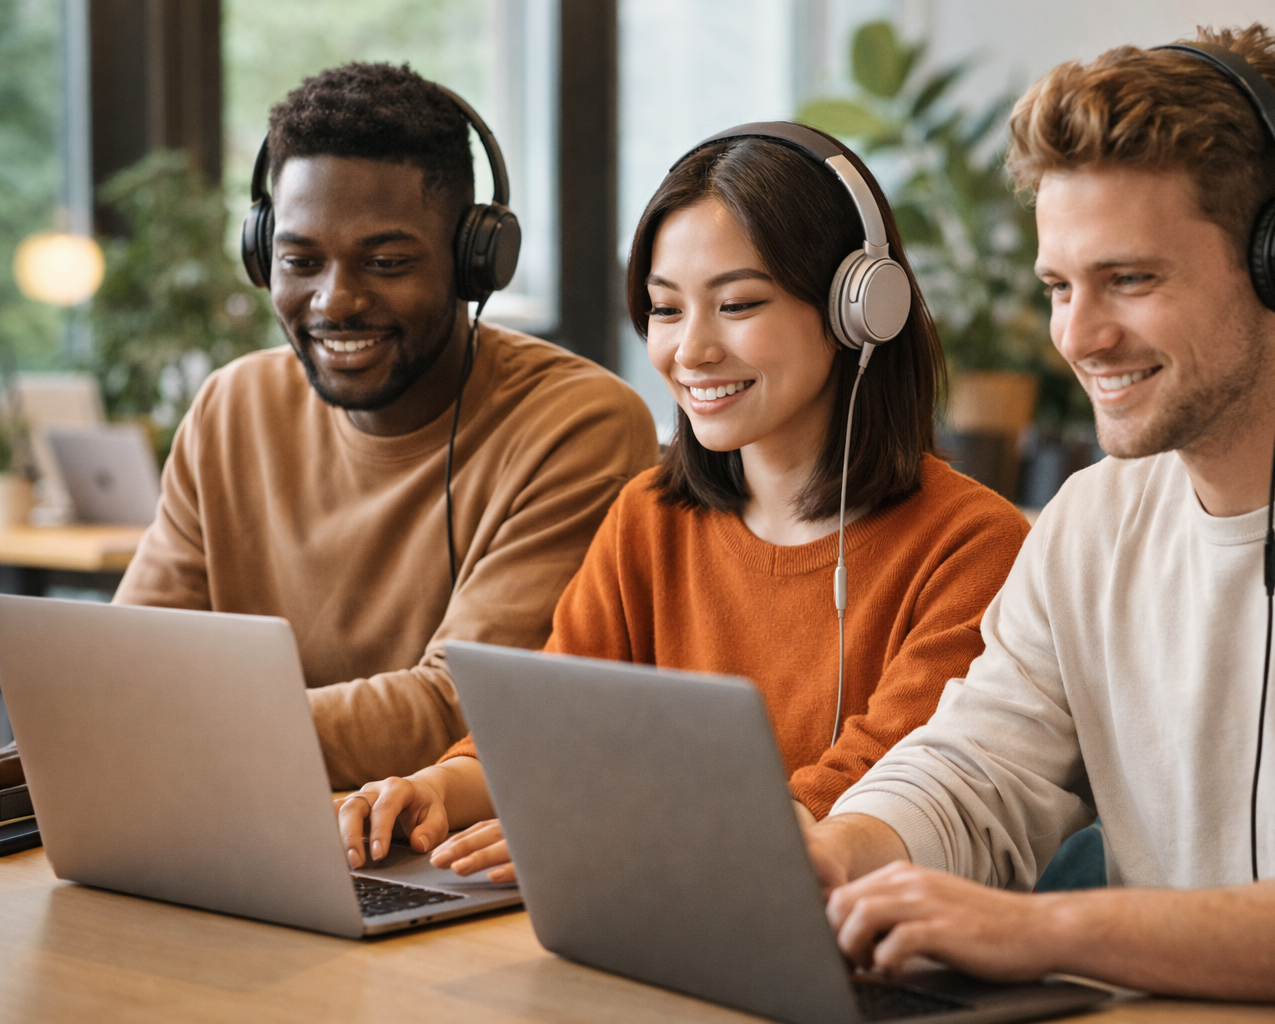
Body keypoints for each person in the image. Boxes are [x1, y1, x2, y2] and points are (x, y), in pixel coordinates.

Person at [806, 24, 1275, 1017]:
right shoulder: (1090, 523)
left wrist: (1045, 933)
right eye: (1060, 287)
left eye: (1130, 280)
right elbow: (973, 771)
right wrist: (838, 856)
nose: (1078, 335)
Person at [337, 124, 1030, 879]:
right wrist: (436, 786)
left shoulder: (973, 546)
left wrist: (621, 832)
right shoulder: (650, 518)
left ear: (856, 312)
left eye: (736, 305)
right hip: (648, 915)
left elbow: (874, 788)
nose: (690, 351)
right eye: (666, 310)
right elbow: (560, 727)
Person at [114, 63, 656, 788]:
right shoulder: (231, 407)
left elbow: (466, 707)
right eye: (300, 260)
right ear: (260, 253)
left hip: (438, 849)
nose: (337, 300)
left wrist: (189, 730)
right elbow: (129, 666)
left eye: (387, 261)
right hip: (241, 810)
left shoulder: (577, 423)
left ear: (475, 261)